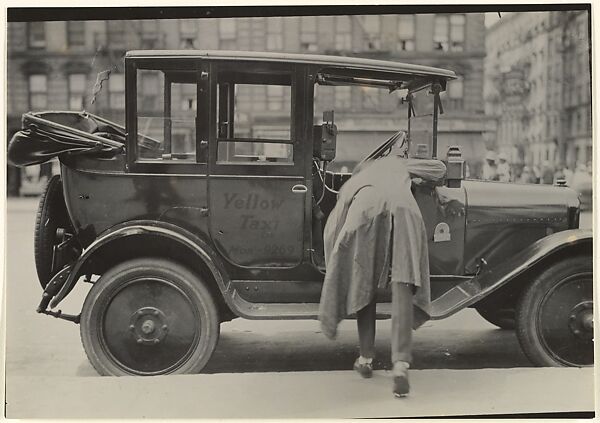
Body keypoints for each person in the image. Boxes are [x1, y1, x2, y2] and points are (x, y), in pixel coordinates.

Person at [318, 148, 446, 398]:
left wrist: (335, 256)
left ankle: (365, 358)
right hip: (403, 208)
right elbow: (439, 169)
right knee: (403, 283)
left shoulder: (356, 179)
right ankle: (400, 365)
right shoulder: (397, 164)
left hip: (365, 209)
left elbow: (336, 222)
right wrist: (414, 171)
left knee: (363, 282)